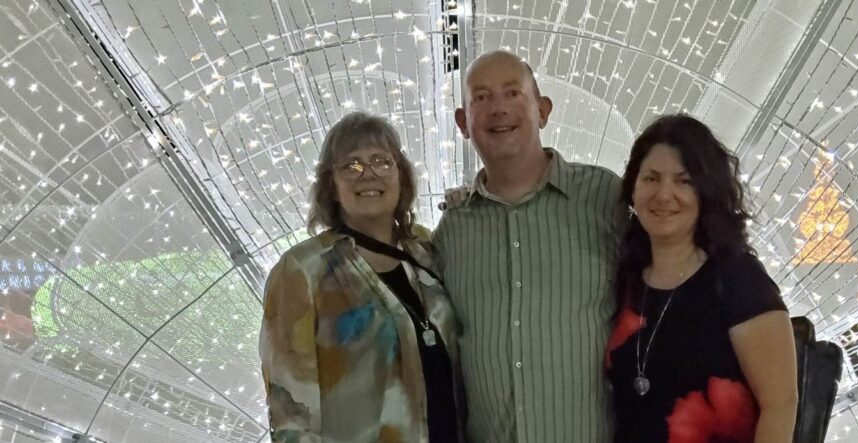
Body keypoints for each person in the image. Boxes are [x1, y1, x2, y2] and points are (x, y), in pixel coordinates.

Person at [432, 50, 623, 442]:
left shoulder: (605, 198)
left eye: (512, 93)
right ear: (463, 123)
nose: (498, 109)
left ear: (543, 110)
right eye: (481, 98)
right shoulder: (453, 229)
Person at [259, 112, 461, 442]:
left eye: (382, 162)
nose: (368, 174)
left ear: (402, 177)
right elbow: (291, 413)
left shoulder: (426, 251)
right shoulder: (302, 270)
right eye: (351, 165)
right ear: (332, 186)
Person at [605, 114, 798, 443]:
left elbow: (781, 405)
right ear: (633, 188)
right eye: (651, 178)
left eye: (684, 181)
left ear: (707, 190)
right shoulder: (625, 280)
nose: (664, 195)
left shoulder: (738, 279)